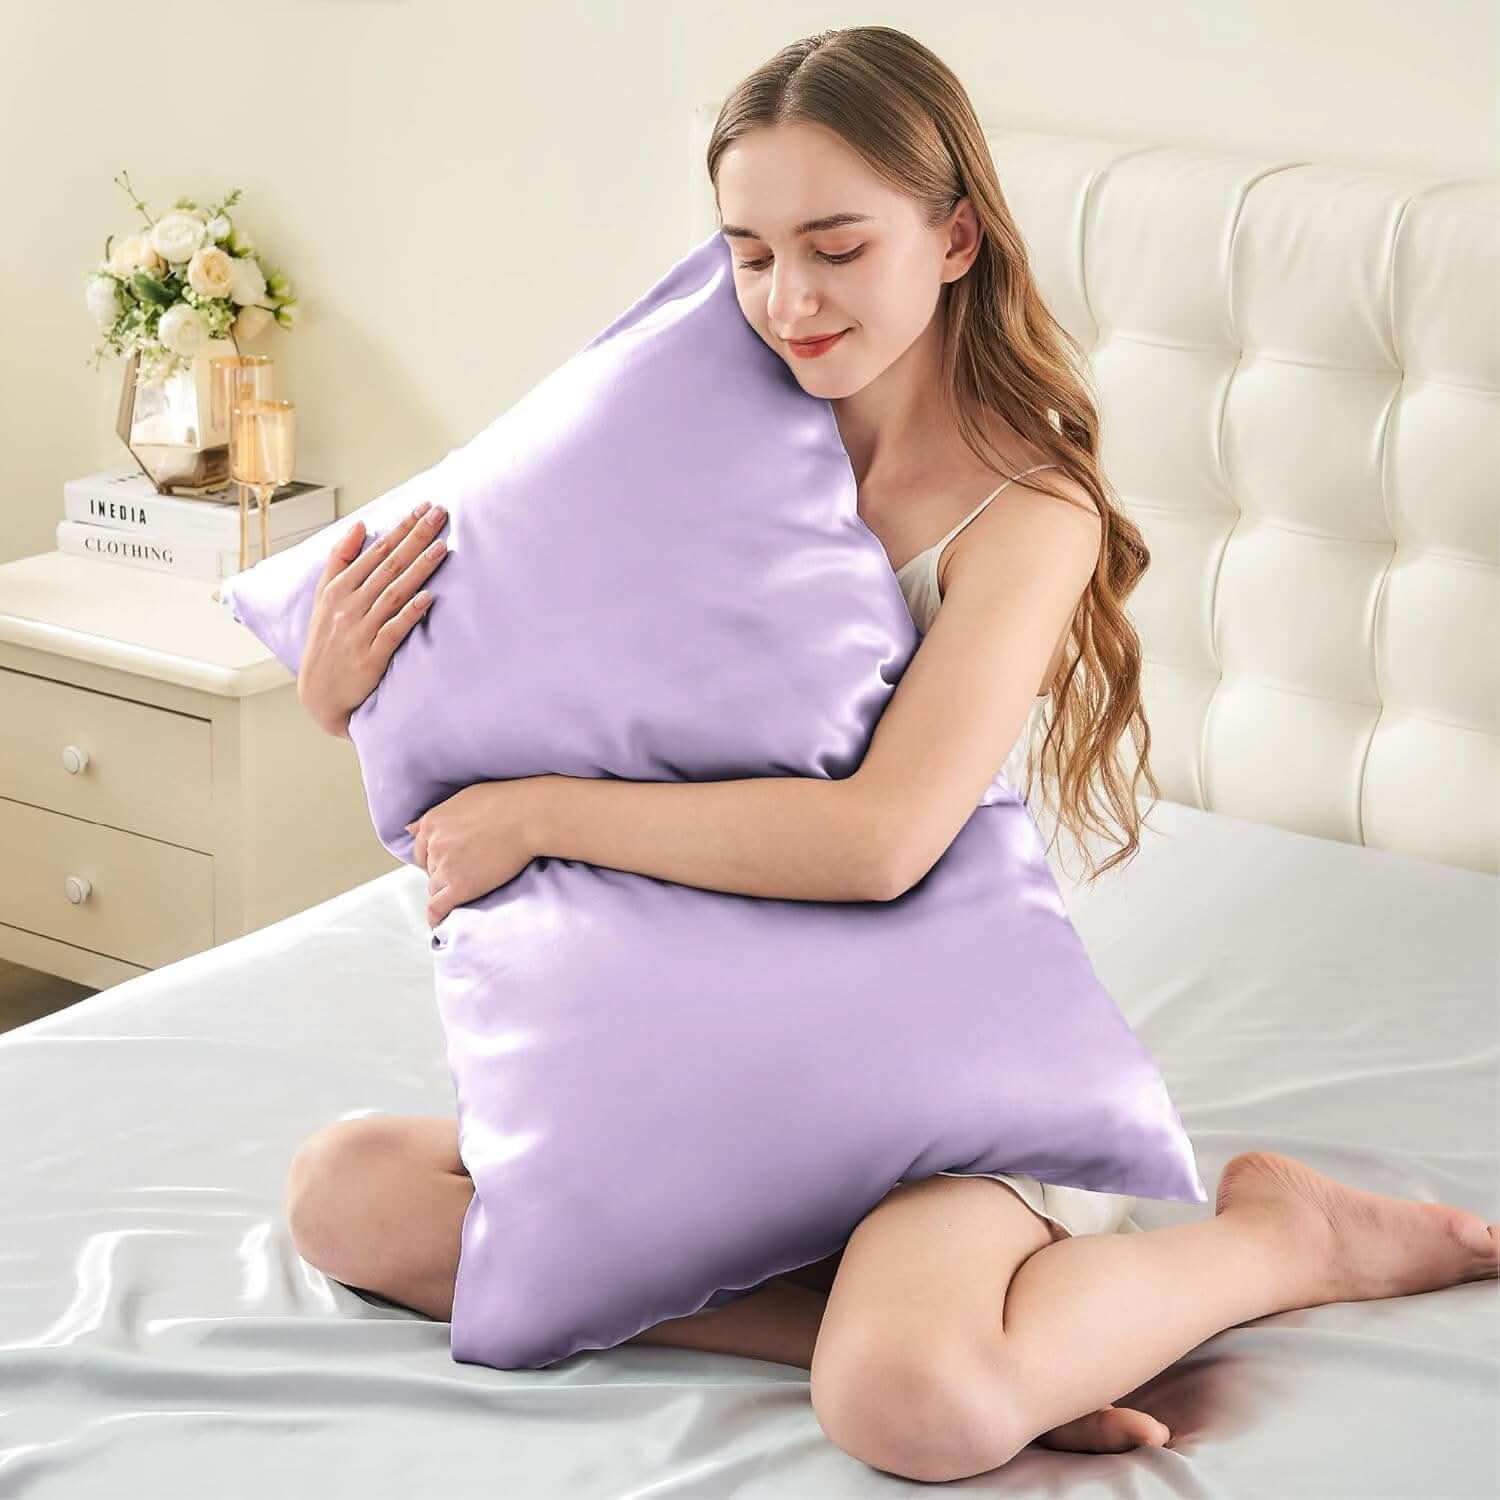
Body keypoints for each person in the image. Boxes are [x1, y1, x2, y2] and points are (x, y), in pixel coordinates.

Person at [284, 25, 1499, 1485]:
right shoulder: (677, 434)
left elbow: (881, 840)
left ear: (955, 238)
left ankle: (1274, 1240)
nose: (787, 300)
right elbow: (538, 679)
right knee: (348, 1195)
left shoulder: (1023, 511)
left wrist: (542, 815)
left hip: (941, 1095)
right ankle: (935, 1335)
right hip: (700, 1052)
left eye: (838, 246)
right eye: (746, 252)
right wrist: (346, 687)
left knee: (907, 1411)